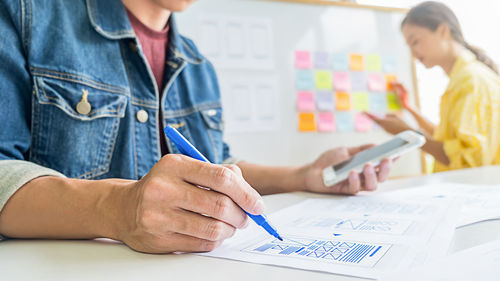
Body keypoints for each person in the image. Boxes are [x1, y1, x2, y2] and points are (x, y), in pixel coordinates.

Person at [0, 0, 391, 254]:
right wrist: (116, 207)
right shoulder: (24, 15)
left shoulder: (198, 64)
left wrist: (306, 175)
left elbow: (216, 166)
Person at [366, 1, 500, 172]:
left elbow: (467, 158)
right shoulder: (463, 78)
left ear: (443, 30)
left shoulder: (471, 81)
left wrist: (407, 133)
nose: (413, 54)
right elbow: (449, 140)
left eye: (415, 42)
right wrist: (410, 109)